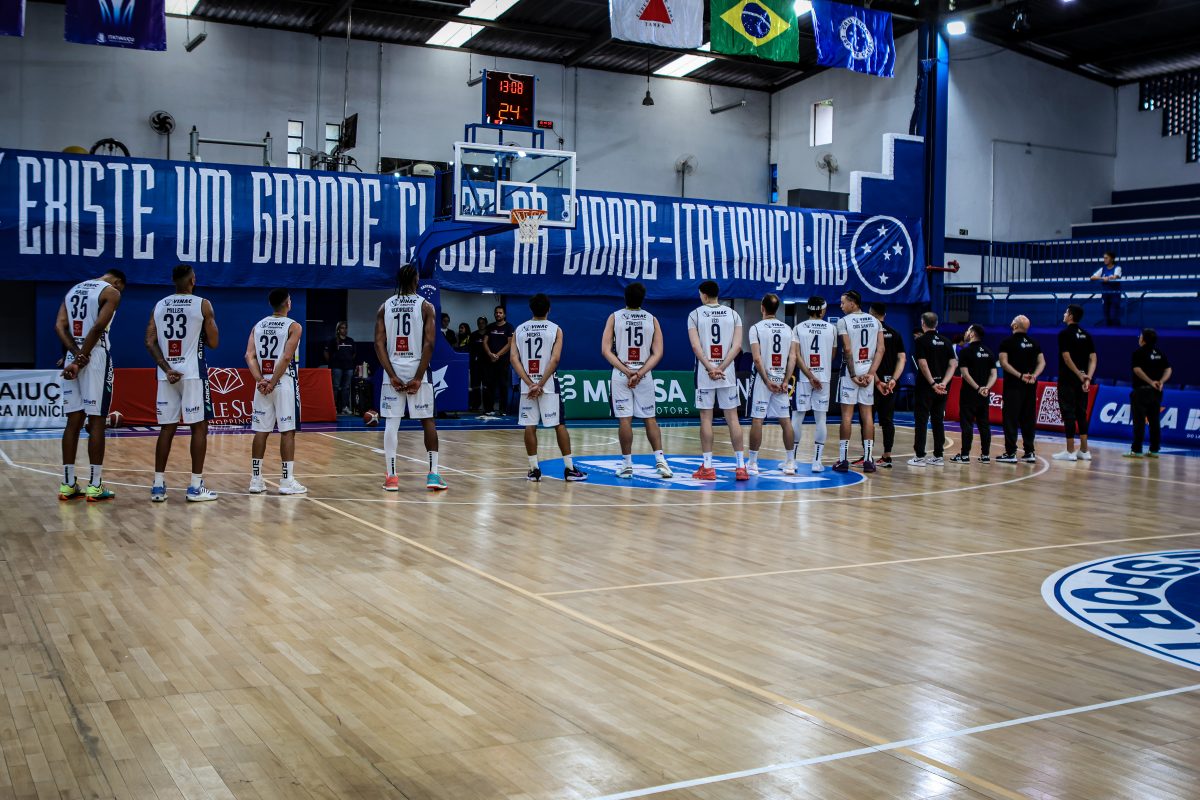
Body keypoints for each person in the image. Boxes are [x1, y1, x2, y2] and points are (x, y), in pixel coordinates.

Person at [145, 265, 219, 502]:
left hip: (167, 374)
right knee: (199, 427)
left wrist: (166, 367)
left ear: (173, 280)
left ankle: (158, 486)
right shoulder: (202, 304)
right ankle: (195, 487)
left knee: (167, 429)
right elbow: (214, 342)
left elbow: (149, 341)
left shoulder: (159, 305)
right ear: (193, 280)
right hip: (192, 373)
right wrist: (200, 333)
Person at [375, 265, 447, 492]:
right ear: (416, 280)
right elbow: (430, 343)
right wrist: (418, 376)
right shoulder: (425, 306)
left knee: (391, 422)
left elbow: (378, 344)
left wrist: (391, 375)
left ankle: (392, 477)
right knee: (428, 421)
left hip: (393, 369)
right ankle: (433, 474)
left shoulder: (385, 306)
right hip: (417, 368)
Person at [56, 269, 126, 502]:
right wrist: (81, 359)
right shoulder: (111, 292)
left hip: (73, 354)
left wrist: (74, 355)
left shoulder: (74, 289)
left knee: (73, 422)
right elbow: (97, 328)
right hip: (94, 357)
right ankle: (95, 486)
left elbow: (60, 326)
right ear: (118, 281)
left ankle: (67, 484)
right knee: (97, 421)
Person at [511, 293, 587, 482]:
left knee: (530, 426)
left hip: (527, 386)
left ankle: (534, 470)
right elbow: (555, 359)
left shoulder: (519, 329)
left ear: (531, 309)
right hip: (548, 385)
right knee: (559, 425)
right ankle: (569, 469)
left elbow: (513, 359)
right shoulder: (555, 329)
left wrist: (530, 383)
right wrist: (541, 383)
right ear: (549, 309)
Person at [601, 282, 672, 479]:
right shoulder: (652, 319)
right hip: (644, 374)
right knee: (650, 418)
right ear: (643, 298)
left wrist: (627, 371)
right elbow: (658, 353)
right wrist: (640, 373)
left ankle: (627, 465)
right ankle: (661, 462)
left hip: (621, 374)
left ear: (625, 297)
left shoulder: (615, 317)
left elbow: (605, 350)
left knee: (625, 419)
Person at [245, 288, 306, 495]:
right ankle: (286, 481)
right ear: (288, 303)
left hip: (262, 385)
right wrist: (273, 381)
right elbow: (287, 357)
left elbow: (249, 356)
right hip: (284, 382)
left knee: (261, 431)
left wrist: (260, 380)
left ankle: (255, 480)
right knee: (287, 431)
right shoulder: (294, 326)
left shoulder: (258, 325)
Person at [686, 281, 746, 481]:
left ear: (703, 295)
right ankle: (741, 466)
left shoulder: (695, 314)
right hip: (727, 373)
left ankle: (708, 467)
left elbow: (696, 347)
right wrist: (722, 367)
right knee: (733, 419)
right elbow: (737, 346)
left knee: (706, 418)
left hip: (705, 374)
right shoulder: (733, 314)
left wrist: (710, 368)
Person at [833, 290, 884, 473]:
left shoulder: (843, 321)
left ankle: (843, 460)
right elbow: (881, 350)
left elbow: (847, 349)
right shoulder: (876, 321)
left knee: (846, 416)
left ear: (853, 303)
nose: (841, 306)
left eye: (843, 302)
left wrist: (854, 375)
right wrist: (871, 374)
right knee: (867, 416)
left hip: (851, 372)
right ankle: (868, 460)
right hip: (868, 371)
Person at [746, 294, 796, 475]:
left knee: (757, 420)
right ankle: (790, 463)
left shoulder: (756, 328)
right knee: (786, 421)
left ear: (762, 307)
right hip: (781, 380)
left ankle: (753, 463)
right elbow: (792, 357)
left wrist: (767, 381)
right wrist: (785, 380)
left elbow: (757, 358)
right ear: (777, 308)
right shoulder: (788, 329)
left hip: (763, 381)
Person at [790, 296, 837, 473]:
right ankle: (817, 462)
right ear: (822, 310)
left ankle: (791, 460)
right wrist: (819, 372)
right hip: (823, 377)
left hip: (804, 377)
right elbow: (832, 355)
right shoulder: (832, 329)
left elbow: (796, 356)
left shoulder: (798, 328)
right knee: (821, 419)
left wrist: (809, 375)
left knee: (797, 417)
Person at [908, 312, 957, 467]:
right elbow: (953, 364)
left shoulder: (921, 341)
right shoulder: (946, 341)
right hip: (942, 389)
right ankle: (938, 456)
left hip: (926, 387)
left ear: (923, 323)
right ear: (936, 324)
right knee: (938, 420)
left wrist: (932, 383)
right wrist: (943, 383)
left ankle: (920, 457)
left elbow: (922, 364)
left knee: (921, 421)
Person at [997, 314, 1045, 464]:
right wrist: (1034, 375)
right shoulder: (1034, 343)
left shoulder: (1007, 342)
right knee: (1028, 419)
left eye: (1013, 320)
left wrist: (1020, 375)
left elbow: (1003, 363)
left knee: (1010, 420)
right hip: (1030, 387)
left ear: (1015, 326)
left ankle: (1011, 453)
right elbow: (1042, 362)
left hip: (1013, 387)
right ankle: (1029, 452)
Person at [1054, 304, 1096, 462]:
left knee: (1069, 414)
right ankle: (1084, 450)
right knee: (1081, 413)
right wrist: (1088, 377)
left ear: (1071, 316)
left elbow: (1066, 357)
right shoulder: (1087, 335)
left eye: (1066, 312)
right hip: (1083, 381)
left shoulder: (1064, 334)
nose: (1064, 314)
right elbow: (1093, 359)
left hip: (1068, 380)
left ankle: (1070, 451)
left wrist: (1078, 374)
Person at [867, 302, 907, 468]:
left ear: (871, 313)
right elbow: (902, 359)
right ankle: (887, 456)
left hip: (872, 383)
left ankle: (867, 456)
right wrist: (893, 380)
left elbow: (868, 358)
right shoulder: (895, 333)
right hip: (890, 385)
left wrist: (877, 380)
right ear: (885, 314)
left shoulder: (870, 333)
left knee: (868, 419)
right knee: (888, 421)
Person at [952, 324, 997, 464]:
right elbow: (994, 374)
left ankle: (965, 455)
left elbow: (965, 374)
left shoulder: (965, 351)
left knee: (967, 424)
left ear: (972, 334)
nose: (965, 333)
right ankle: (985, 455)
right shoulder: (989, 352)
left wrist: (978, 388)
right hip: (984, 395)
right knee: (984, 425)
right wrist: (986, 388)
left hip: (969, 394)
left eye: (967, 331)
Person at [1126, 328, 1171, 458]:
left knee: (1139, 421)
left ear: (1143, 339)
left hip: (1141, 391)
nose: (1139, 338)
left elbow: (1137, 370)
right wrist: (1161, 381)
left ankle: (1137, 450)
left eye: (1140, 336)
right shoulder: (1160, 353)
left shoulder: (1138, 352)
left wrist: (1151, 382)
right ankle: (1154, 450)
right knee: (1154, 421)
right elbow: (1168, 369)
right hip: (1156, 392)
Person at [482, 306, 514, 414]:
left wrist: (497, 355)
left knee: (503, 385)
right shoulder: (490, 327)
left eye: (500, 313)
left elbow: (509, 344)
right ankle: (489, 409)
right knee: (489, 385)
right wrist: (490, 354)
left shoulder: (509, 327)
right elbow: (485, 342)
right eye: (496, 312)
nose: (498, 314)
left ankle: (502, 409)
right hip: (490, 361)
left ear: (504, 315)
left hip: (502, 361)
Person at [324, 321, 356, 414]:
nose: (344, 330)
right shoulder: (333, 341)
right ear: (338, 330)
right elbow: (326, 353)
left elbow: (354, 354)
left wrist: (349, 361)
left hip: (348, 368)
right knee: (335, 387)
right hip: (336, 367)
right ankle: (333, 407)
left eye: (346, 328)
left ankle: (345, 407)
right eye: (342, 328)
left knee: (346, 387)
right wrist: (332, 362)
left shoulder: (351, 340)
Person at [1090, 251, 1123, 327]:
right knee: (1106, 312)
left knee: (1115, 312)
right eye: (1104, 258)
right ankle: (1107, 328)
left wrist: (1109, 278)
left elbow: (1115, 277)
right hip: (1105, 294)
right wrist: (1102, 278)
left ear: (1112, 259)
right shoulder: (1102, 269)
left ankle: (1116, 329)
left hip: (1115, 294)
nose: (1104, 260)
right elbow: (1092, 277)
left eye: (1106, 258)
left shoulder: (1117, 268)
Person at [468, 315, 488, 410]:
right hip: (475, 364)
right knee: (475, 385)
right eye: (479, 323)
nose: (481, 325)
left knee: (486, 385)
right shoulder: (473, 335)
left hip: (487, 364)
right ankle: (475, 405)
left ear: (486, 324)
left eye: (483, 323)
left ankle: (487, 406)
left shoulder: (489, 335)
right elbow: (470, 349)